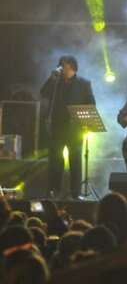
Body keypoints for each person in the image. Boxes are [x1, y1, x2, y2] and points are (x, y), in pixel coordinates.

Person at [39, 55, 96, 199]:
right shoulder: (56, 82)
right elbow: (43, 93)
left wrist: (85, 123)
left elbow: (91, 104)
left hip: (75, 129)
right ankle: (54, 191)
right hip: (57, 128)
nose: (60, 67)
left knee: (75, 160)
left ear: (71, 66)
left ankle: (75, 193)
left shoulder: (84, 84)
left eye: (62, 65)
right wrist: (51, 78)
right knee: (55, 160)